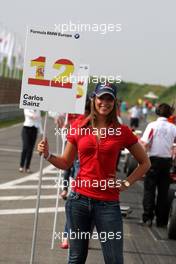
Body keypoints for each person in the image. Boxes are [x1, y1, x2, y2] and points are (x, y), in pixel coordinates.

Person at [38, 82, 150, 264]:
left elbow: (145, 163)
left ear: (114, 102)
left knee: (114, 260)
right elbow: (66, 163)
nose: (104, 102)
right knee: (76, 259)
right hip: (78, 202)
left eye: (109, 98)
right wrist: (48, 155)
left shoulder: (122, 131)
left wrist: (125, 184)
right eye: (101, 97)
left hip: (108, 204)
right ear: (93, 99)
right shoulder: (79, 127)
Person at [140, 103, 176, 227]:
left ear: (157, 112)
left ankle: (147, 217)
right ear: (170, 114)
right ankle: (161, 220)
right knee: (163, 192)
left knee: (149, 190)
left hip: (153, 160)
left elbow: (144, 144)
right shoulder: (173, 127)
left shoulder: (152, 126)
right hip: (167, 162)